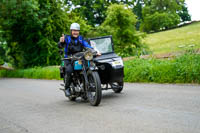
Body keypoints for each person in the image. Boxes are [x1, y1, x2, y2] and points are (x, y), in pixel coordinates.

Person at [58, 23, 100, 96]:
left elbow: (87, 45)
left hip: (80, 57)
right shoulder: (67, 38)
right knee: (69, 70)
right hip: (69, 58)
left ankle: (90, 82)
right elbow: (61, 45)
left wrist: (95, 51)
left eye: (77, 31)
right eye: (74, 30)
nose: (75, 32)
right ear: (71, 31)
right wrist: (61, 42)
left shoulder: (81, 38)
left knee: (88, 66)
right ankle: (67, 88)